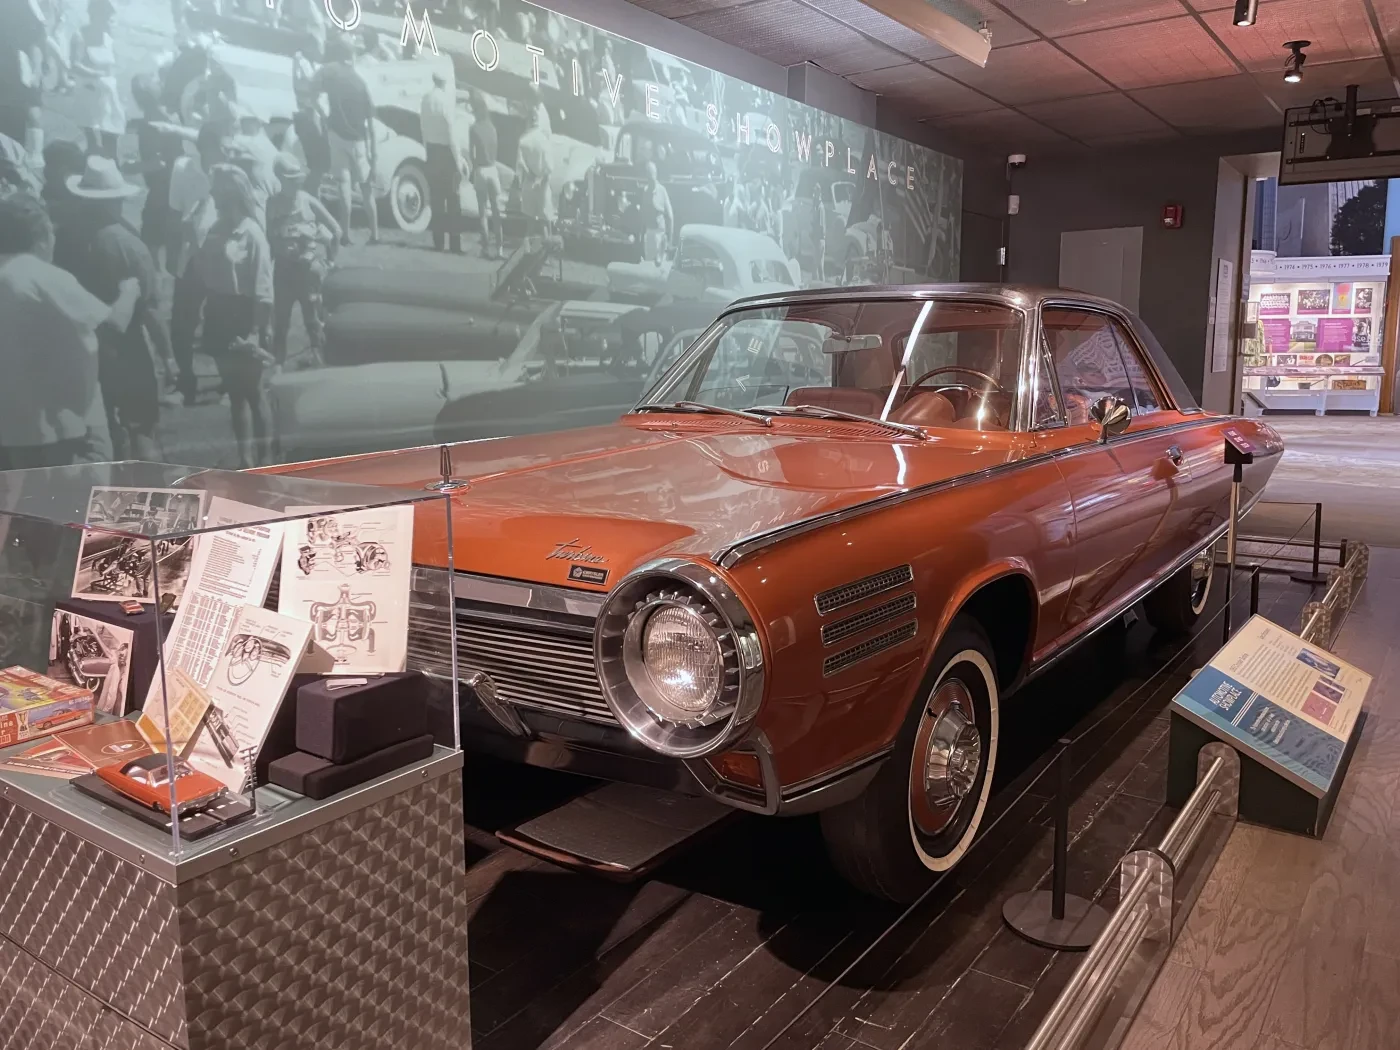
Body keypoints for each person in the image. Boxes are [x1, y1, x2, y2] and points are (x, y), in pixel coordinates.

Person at [0, 190, 126, 468]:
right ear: (42, 235)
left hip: (12, 429)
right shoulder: (42, 276)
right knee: (81, 504)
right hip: (65, 426)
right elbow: (113, 324)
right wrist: (129, 290)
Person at [66, 155, 170, 461]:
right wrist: (169, 356)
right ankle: (152, 493)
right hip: (126, 348)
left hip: (83, 343)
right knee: (141, 425)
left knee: (105, 426)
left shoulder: (66, 239)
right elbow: (150, 309)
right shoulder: (128, 244)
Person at [196, 164, 274, 467]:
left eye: (218, 192)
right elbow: (203, 271)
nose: (214, 196)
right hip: (219, 312)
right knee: (234, 392)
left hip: (246, 313)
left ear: (232, 195)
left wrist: (256, 329)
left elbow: (262, 288)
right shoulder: (215, 230)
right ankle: (245, 459)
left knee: (254, 391)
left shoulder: (252, 234)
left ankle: (266, 459)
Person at [167, 119, 228, 404]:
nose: (224, 152)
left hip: (223, 257)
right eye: (220, 147)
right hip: (190, 255)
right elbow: (174, 211)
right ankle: (185, 384)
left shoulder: (232, 171)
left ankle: (230, 383)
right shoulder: (182, 168)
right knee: (181, 324)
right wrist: (173, 250)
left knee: (222, 323)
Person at [266, 152, 339, 367]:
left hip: (308, 270)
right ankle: (277, 365)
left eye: (297, 180)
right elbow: (267, 239)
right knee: (280, 322)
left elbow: (336, 230)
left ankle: (321, 362)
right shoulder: (272, 205)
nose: (295, 184)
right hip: (283, 271)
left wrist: (330, 261)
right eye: (290, 180)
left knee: (314, 320)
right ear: (279, 179)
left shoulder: (308, 201)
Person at [308, 35, 378, 246]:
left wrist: (323, 114)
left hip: (336, 136)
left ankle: (345, 234)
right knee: (366, 189)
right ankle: (374, 234)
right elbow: (371, 123)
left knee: (343, 186)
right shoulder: (361, 83)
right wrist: (373, 152)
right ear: (351, 56)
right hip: (358, 140)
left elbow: (312, 93)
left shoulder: (330, 74)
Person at [127, 74, 182, 270]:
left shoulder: (151, 123)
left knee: (151, 240)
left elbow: (158, 162)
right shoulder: (167, 114)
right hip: (177, 185)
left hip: (161, 188)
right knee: (173, 239)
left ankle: (152, 284)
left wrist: (131, 167)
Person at [70, 0, 124, 157]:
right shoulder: (80, 36)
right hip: (89, 92)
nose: (108, 19)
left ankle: (110, 165)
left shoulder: (108, 36)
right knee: (92, 134)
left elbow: (112, 64)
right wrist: (96, 74)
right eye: (105, 15)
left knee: (111, 134)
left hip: (108, 93)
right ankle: (91, 165)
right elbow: (75, 65)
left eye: (109, 15)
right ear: (93, 15)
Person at [419, 71, 462, 253]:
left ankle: (438, 242)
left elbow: (422, 126)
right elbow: (451, 133)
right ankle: (454, 243)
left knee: (436, 199)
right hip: (446, 153)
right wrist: (458, 160)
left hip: (432, 151)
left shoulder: (426, 99)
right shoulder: (446, 101)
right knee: (453, 199)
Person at [468, 91, 501, 259]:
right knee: (496, 211)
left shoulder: (473, 129)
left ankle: (486, 247)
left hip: (480, 169)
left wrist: (473, 169)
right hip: (492, 169)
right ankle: (500, 248)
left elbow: (471, 154)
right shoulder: (493, 128)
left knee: (483, 212)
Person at [515, 99, 553, 239]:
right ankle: (546, 253)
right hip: (542, 186)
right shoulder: (544, 140)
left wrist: (530, 176)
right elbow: (549, 167)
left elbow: (520, 164)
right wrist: (540, 178)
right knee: (544, 223)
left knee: (529, 224)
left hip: (528, 184)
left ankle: (527, 252)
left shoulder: (523, 140)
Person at [639, 161, 672, 263]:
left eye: (652, 174)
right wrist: (641, 234)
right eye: (648, 174)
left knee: (659, 264)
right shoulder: (645, 191)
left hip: (660, 233)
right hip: (648, 233)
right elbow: (643, 214)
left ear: (656, 174)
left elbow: (670, 216)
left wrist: (669, 240)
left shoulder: (662, 191)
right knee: (648, 264)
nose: (650, 178)